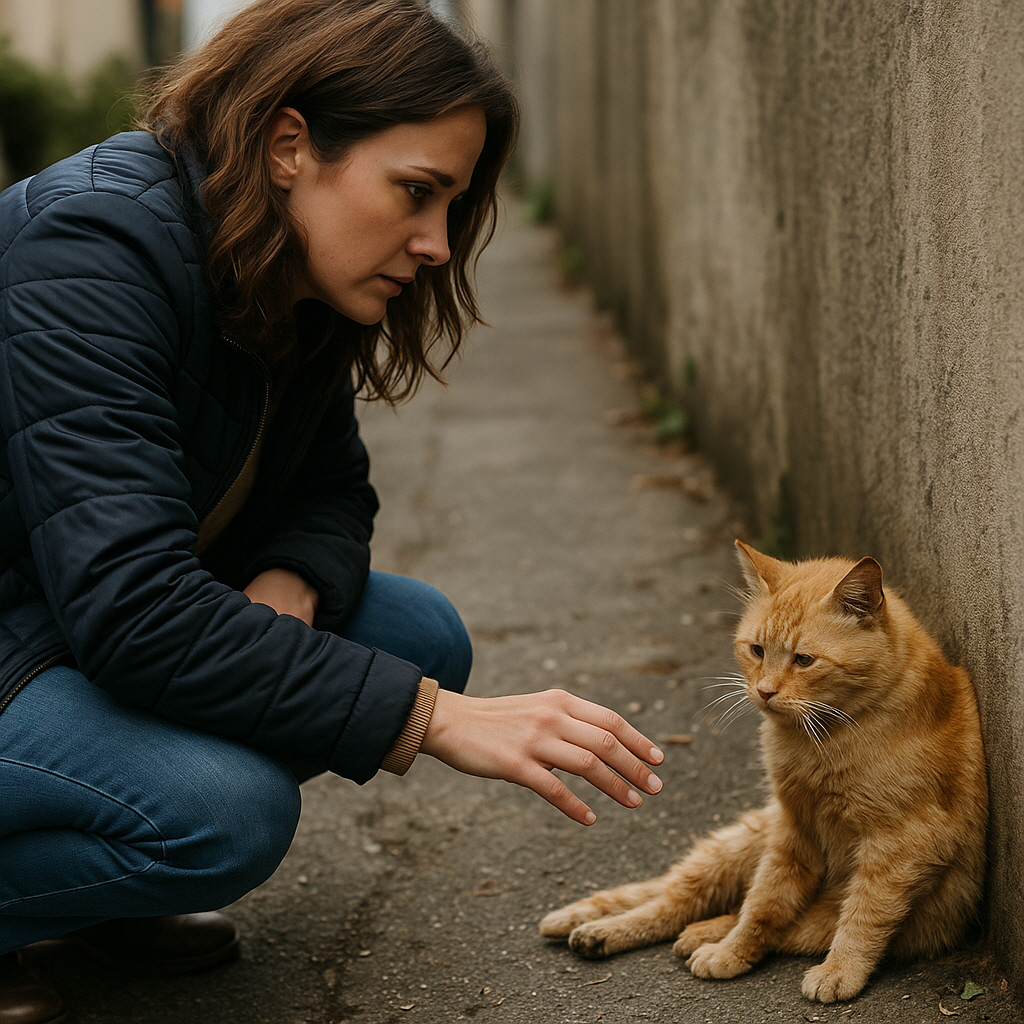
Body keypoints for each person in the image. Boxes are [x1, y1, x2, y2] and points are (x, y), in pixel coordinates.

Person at [0, 1, 664, 1021]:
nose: (437, 243)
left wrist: (291, 580)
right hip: (39, 621)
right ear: (290, 145)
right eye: (415, 193)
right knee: (221, 816)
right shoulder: (92, 248)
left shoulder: (275, 259)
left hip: (63, 606)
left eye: (450, 205)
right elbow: (132, 608)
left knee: (416, 630)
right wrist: (430, 720)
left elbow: (327, 488)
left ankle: (99, 881)